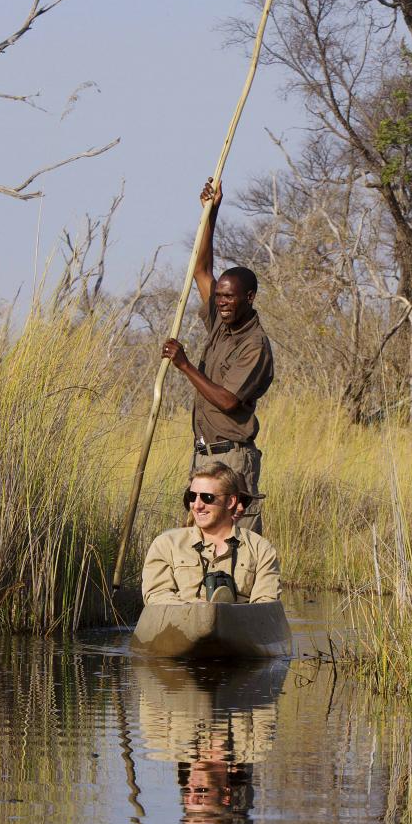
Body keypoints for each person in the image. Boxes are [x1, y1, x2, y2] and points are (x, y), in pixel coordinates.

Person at [161, 178, 274, 533]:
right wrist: (211, 212)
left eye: (230, 297)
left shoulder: (254, 344)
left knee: (238, 541)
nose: (222, 302)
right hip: (204, 453)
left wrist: (184, 365)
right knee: (200, 539)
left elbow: (227, 401)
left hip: (233, 456)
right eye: (220, 297)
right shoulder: (220, 323)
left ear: (250, 297)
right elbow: (201, 271)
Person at [141, 462, 280, 605]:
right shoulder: (166, 544)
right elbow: (156, 596)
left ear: (231, 501)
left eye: (207, 498)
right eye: (192, 496)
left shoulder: (260, 549)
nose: (197, 505)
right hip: (180, 625)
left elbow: (265, 606)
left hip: (239, 626)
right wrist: (199, 612)